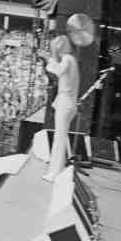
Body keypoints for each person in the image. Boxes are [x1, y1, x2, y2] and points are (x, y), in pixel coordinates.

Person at [43, 33, 80, 182]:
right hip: (68, 102)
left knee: (59, 139)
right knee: (62, 137)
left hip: (65, 102)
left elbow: (57, 71)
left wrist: (50, 57)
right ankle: (58, 169)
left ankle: (54, 173)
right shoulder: (72, 60)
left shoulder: (67, 59)